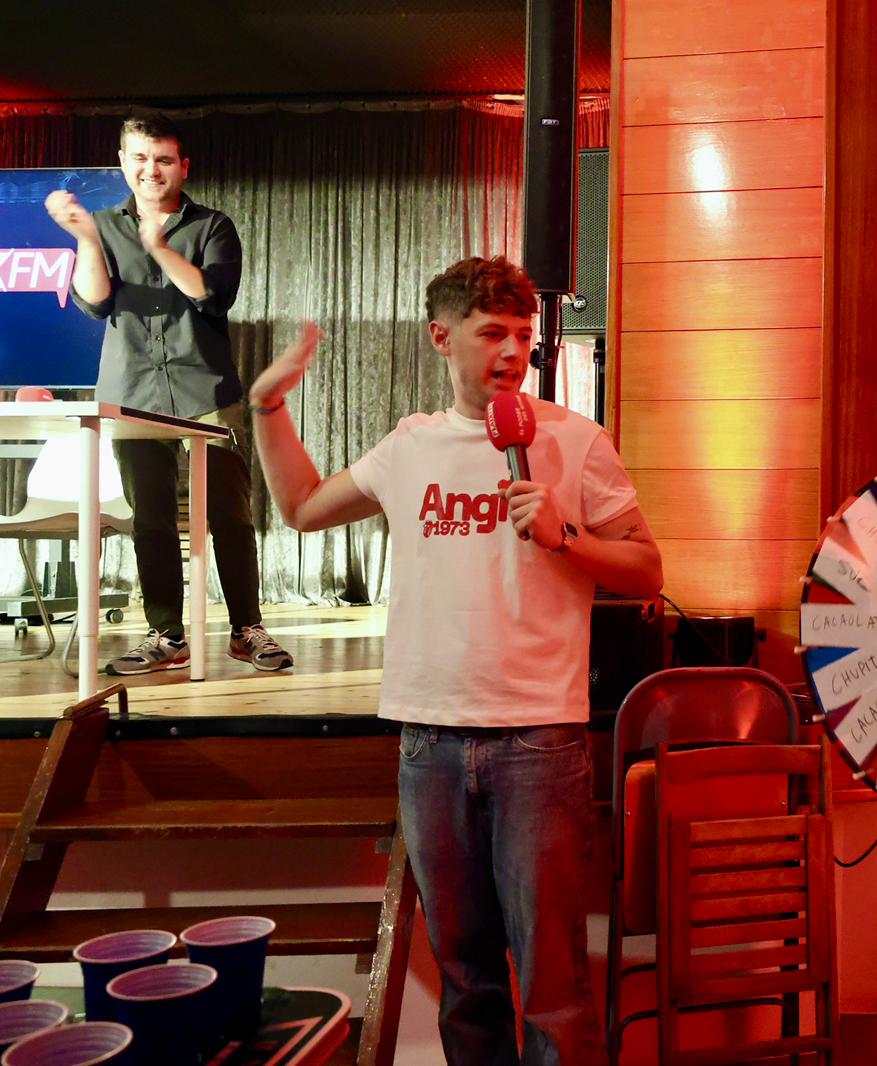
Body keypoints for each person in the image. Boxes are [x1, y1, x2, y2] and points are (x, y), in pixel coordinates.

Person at [248, 255, 661, 1065]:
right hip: (428, 741)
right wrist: (268, 406)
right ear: (443, 338)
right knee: (467, 978)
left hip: (539, 742)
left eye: (523, 336)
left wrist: (568, 536)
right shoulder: (410, 447)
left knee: (553, 980)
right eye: (492, 333)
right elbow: (300, 507)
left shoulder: (576, 440)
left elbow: (648, 570)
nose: (512, 352)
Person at [45, 113, 291, 674]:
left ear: (183, 166)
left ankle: (246, 629)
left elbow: (211, 295)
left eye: (162, 160)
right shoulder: (103, 226)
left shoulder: (211, 226)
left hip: (205, 387)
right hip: (132, 389)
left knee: (229, 513)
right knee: (150, 519)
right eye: (139, 158)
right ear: (122, 163)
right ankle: (166, 636)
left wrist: (158, 246)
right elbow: (95, 302)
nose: (150, 170)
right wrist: (86, 239)